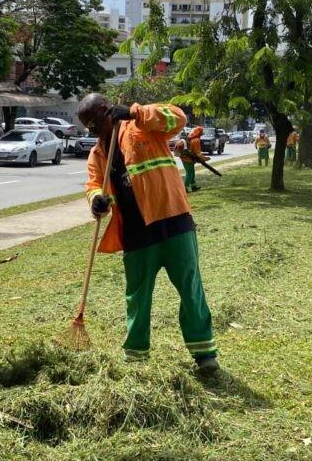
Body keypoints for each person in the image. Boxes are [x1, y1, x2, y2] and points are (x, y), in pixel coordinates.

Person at [78, 94, 219, 374]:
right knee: (137, 297)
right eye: (89, 128)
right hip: (135, 231)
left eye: (96, 123)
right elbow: (95, 183)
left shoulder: (142, 126)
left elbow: (177, 117)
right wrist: (97, 199)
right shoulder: (98, 154)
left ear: (109, 111)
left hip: (173, 221)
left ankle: (204, 353)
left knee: (190, 288)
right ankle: (136, 355)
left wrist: (135, 112)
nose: (95, 131)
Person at [175, 126, 206, 192]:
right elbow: (198, 153)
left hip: (186, 158)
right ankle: (185, 188)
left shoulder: (190, 138)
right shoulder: (196, 140)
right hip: (187, 159)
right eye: (202, 132)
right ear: (199, 133)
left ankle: (193, 186)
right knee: (189, 173)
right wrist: (204, 158)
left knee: (192, 172)